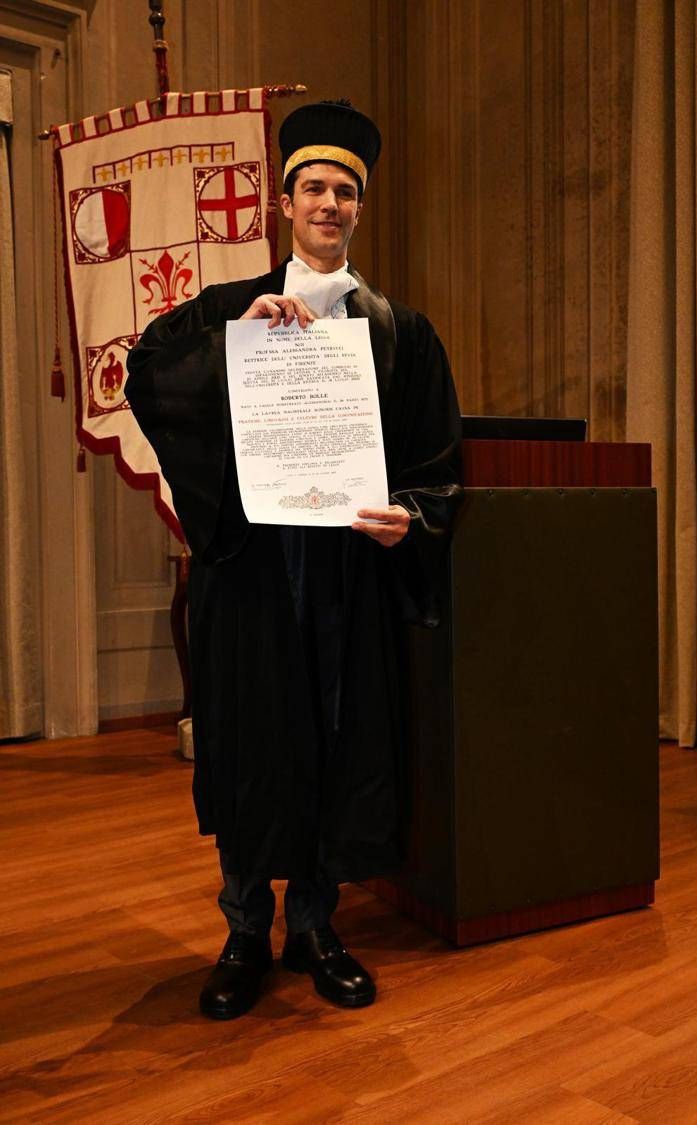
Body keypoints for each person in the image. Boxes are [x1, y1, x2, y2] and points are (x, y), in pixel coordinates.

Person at [125, 100, 462, 1018]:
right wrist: (230, 347)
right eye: (313, 186)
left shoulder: (399, 331)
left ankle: (315, 925)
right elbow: (146, 379)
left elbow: (437, 465)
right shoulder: (228, 311)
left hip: (348, 576)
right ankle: (243, 928)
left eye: (345, 191)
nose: (329, 203)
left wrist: (412, 518)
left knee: (333, 741)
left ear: (361, 209)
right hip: (253, 571)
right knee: (253, 745)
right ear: (284, 202)